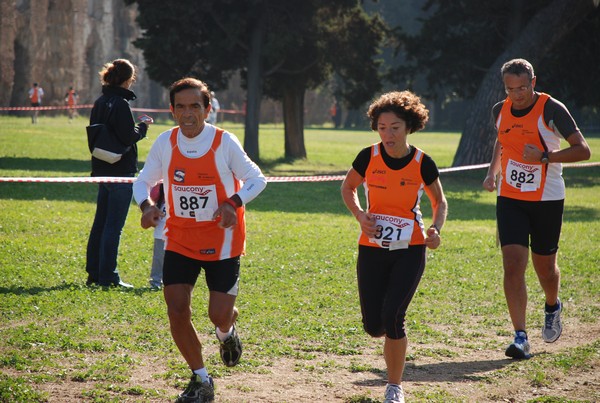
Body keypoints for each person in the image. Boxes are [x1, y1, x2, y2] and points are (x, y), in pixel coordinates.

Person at [132, 77, 267, 402]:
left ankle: (226, 332)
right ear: (172, 110)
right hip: (179, 238)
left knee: (218, 314)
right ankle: (201, 379)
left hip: (222, 240)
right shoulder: (166, 142)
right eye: (181, 107)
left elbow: (256, 180)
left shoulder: (224, 142)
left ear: (207, 109)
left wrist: (233, 203)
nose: (188, 113)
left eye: (195, 106)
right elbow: (142, 181)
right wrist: (148, 206)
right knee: (177, 309)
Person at [341, 90, 448, 403]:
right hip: (372, 247)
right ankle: (389, 349)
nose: (387, 133)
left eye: (395, 127)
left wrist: (435, 229)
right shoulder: (368, 157)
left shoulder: (422, 162)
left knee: (393, 317)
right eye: (382, 127)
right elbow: (348, 188)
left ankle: (394, 386)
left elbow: (439, 201)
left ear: (409, 126)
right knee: (374, 325)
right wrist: (360, 215)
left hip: (410, 247)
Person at [483, 58, 591, 360]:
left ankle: (552, 305)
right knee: (513, 264)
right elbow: (502, 140)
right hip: (511, 197)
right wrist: (493, 172)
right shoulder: (499, 110)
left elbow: (583, 150)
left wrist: (545, 156)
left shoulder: (550, 108)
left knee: (545, 266)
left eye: (522, 88)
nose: (516, 95)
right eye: (510, 89)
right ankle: (520, 337)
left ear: (533, 81)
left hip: (547, 198)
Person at [85, 58, 153, 288]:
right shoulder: (121, 104)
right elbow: (128, 137)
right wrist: (142, 126)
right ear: (128, 80)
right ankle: (109, 276)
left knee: (100, 224)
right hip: (121, 172)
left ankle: (94, 272)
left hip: (102, 170)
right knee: (114, 226)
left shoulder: (100, 101)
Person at [148, 183, 166, 289]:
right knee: (159, 256)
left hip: (181, 226)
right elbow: (151, 198)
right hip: (162, 225)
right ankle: (156, 281)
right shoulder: (161, 184)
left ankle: (176, 282)